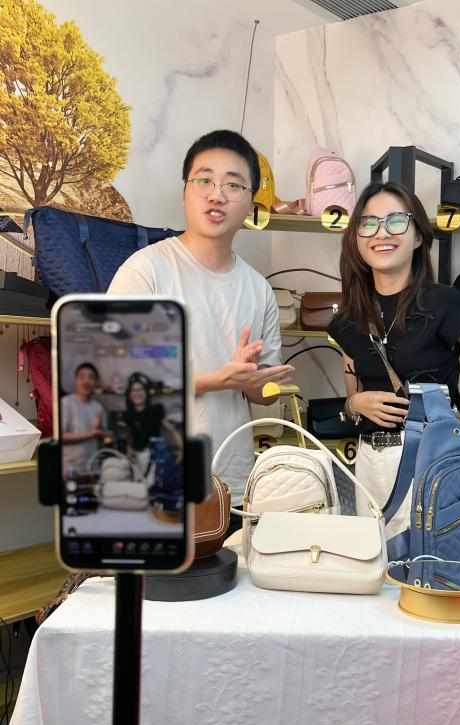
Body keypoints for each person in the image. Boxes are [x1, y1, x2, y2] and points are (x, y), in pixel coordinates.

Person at [108, 130, 293, 527]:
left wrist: (256, 382)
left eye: (233, 185)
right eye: (204, 180)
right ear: (185, 193)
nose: (216, 195)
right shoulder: (145, 271)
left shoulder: (258, 288)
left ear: (250, 202)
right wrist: (218, 379)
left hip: (232, 486)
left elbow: (264, 396)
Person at [328, 181, 460, 537]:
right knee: (374, 561)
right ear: (356, 237)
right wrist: (357, 402)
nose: (382, 232)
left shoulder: (446, 303)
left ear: (418, 236)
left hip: (433, 459)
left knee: (433, 560)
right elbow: (352, 398)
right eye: (369, 223)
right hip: (370, 463)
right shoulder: (348, 319)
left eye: (396, 221)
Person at [61, 362, 110, 473]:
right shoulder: (66, 403)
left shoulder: (99, 407)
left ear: (95, 382)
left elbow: (105, 439)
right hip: (70, 467)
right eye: (82, 377)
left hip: (94, 466)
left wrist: (101, 431)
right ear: (76, 380)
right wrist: (92, 434)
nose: (86, 381)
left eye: (91, 377)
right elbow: (61, 436)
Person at [124, 374, 182, 461]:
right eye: (133, 390)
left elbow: (172, 430)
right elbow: (130, 436)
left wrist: (181, 450)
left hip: (154, 455)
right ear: (129, 394)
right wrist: (129, 448)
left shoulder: (156, 411)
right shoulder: (128, 414)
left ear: (146, 392)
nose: (137, 393)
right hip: (136, 456)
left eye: (140, 389)